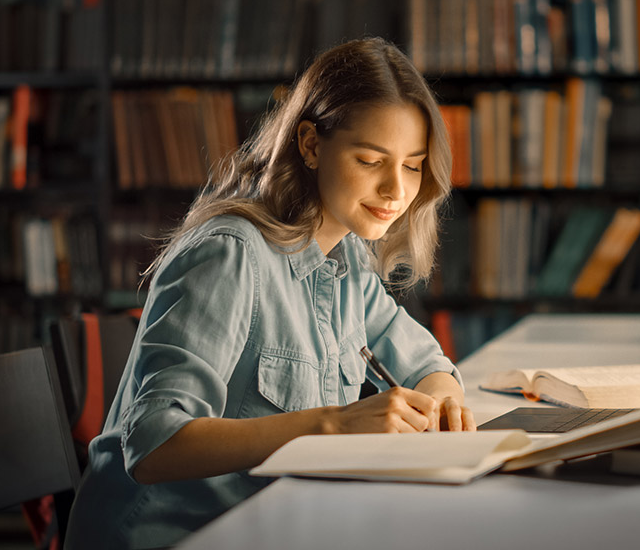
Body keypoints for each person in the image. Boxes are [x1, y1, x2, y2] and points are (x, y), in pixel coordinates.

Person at [64, 37, 475, 550]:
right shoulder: (227, 256)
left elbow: (426, 364)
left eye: (412, 165)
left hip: (275, 526)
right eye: (371, 160)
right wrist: (336, 425)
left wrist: (442, 405)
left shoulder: (345, 261)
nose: (397, 189)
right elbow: (153, 444)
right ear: (310, 144)